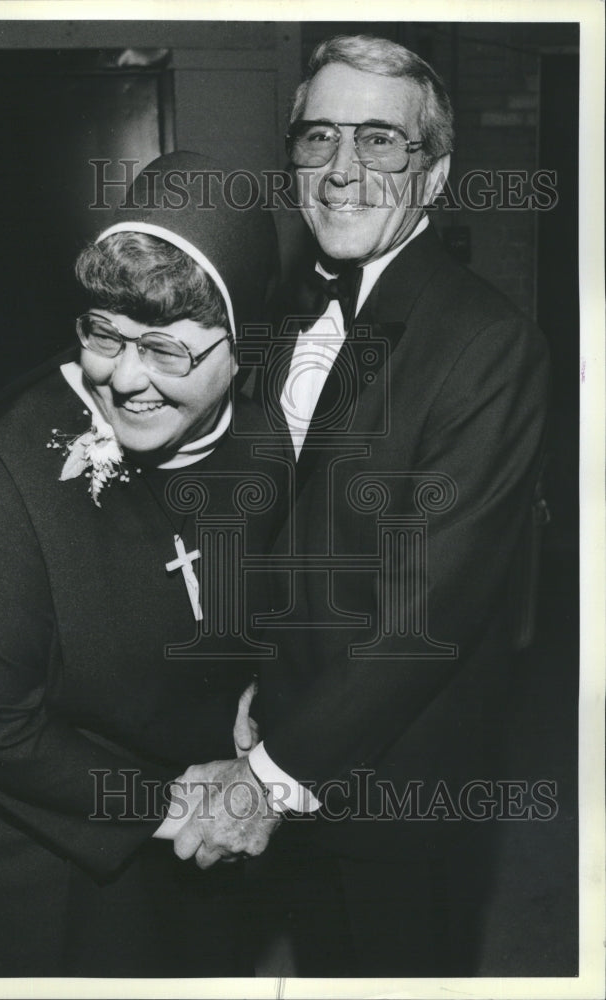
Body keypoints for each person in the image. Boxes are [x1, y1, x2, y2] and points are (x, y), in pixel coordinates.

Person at [171, 35, 550, 976]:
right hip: (297, 726)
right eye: (317, 138)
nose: (341, 171)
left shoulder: (487, 345)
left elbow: (423, 610)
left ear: (433, 173)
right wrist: (267, 677)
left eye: (379, 141)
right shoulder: (297, 311)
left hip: (397, 786)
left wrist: (261, 784)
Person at [0, 151, 282, 977]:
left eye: (166, 351)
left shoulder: (264, 445)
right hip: (31, 864)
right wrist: (176, 804)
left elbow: (269, 605)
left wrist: (263, 693)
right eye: (103, 334)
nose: (124, 376)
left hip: (189, 844)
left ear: (244, 346)